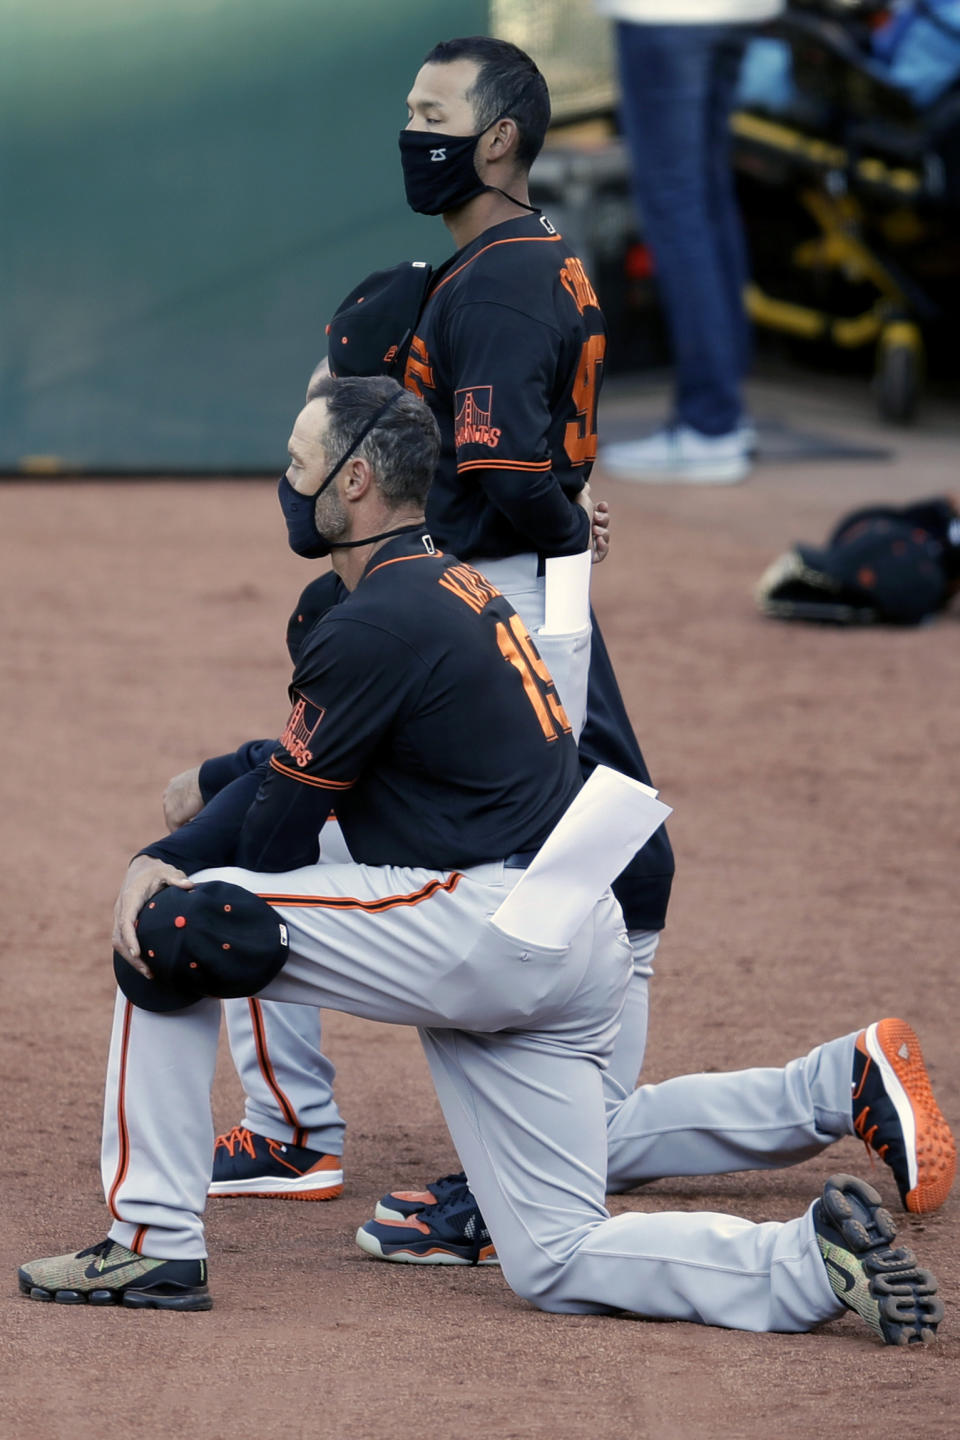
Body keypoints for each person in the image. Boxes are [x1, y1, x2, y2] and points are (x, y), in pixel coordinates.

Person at [17, 377, 945, 1346]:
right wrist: (240, 777)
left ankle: (152, 1241)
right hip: (568, 937)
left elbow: (276, 844)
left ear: (358, 480)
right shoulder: (455, 585)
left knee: (177, 922)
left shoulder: (372, 622)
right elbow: (320, 769)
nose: (287, 483)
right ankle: (805, 1263)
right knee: (555, 1256)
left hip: (483, 931)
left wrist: (161, 856)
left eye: (299, 465)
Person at [203, 35, 675, 1216]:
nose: (412, 129)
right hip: (513, 584)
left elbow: (507, 472)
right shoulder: (518, 262)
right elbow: (523, 476)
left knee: (558, 868)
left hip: (498, 594)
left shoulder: (504, 277)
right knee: (582, 859)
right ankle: (557, 1134)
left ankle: (432, 1144)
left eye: (433, 110)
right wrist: (565, 518)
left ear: (501, 135)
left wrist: (555, 527)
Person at [596, 1, 784, 484]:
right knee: (705, 197)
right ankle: (723, 414)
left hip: (665, 15)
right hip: (735, 12)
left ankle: (710, 423)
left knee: (678, 206)